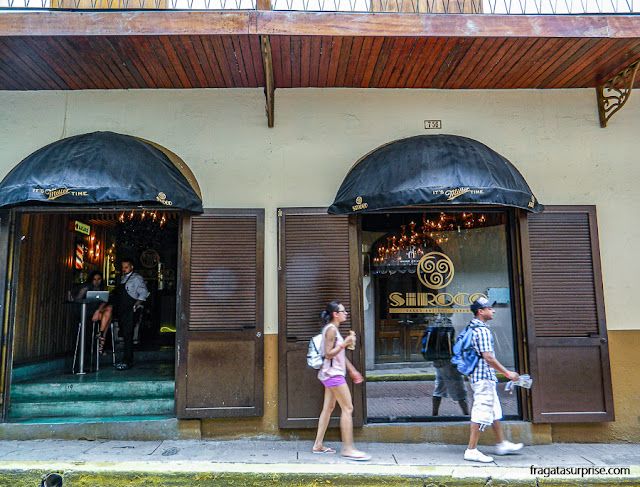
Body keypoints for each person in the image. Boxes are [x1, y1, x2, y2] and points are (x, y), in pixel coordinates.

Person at [464, 296, 524, 463]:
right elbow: (488, 357)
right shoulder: (482, 330)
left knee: (493, 411)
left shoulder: (473, 328)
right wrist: (507, 373)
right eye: (489, 308)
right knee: (481, 413)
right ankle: (471, 449)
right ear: (480, 311)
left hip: (482, 377)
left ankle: (502, 443)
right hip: (483, 379)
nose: (493, 310)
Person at [312, 301, 371, 461]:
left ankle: (318, 444)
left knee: (329, 407)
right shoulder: (331, 330)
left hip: (330, 374)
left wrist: (352, 371)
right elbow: (328, 354)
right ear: (335, 314)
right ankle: (348, 448)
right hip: (333, 375)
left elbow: (340, 356)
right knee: (347, 408)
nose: (346, 313)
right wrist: (345, 343)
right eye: (343, 311)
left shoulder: (334, 330)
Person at [113, 258, 149, 371]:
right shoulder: (123, 278)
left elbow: (143, 293)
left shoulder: (137, 278)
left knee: (128, 335)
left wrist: (135, 305)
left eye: (126, 267)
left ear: (132, 267)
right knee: (124, 334)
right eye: (123, 267)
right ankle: (127, 359)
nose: (124, 269)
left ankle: (127, 361)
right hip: (122, 310)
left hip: (131, 310)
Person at [74, 271, 113, 355]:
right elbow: (77, 299)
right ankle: (101, 340)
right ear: (91, 280)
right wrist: (84, 291)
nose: (96, 281)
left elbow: (104, 301)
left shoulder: (104, 288)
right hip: (88, 311)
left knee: (109, 308)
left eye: (98, 279)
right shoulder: (87, 287)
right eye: (94, 279)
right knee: (108, 317)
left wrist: (98, 310)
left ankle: (101, 335)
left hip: (98, 312)